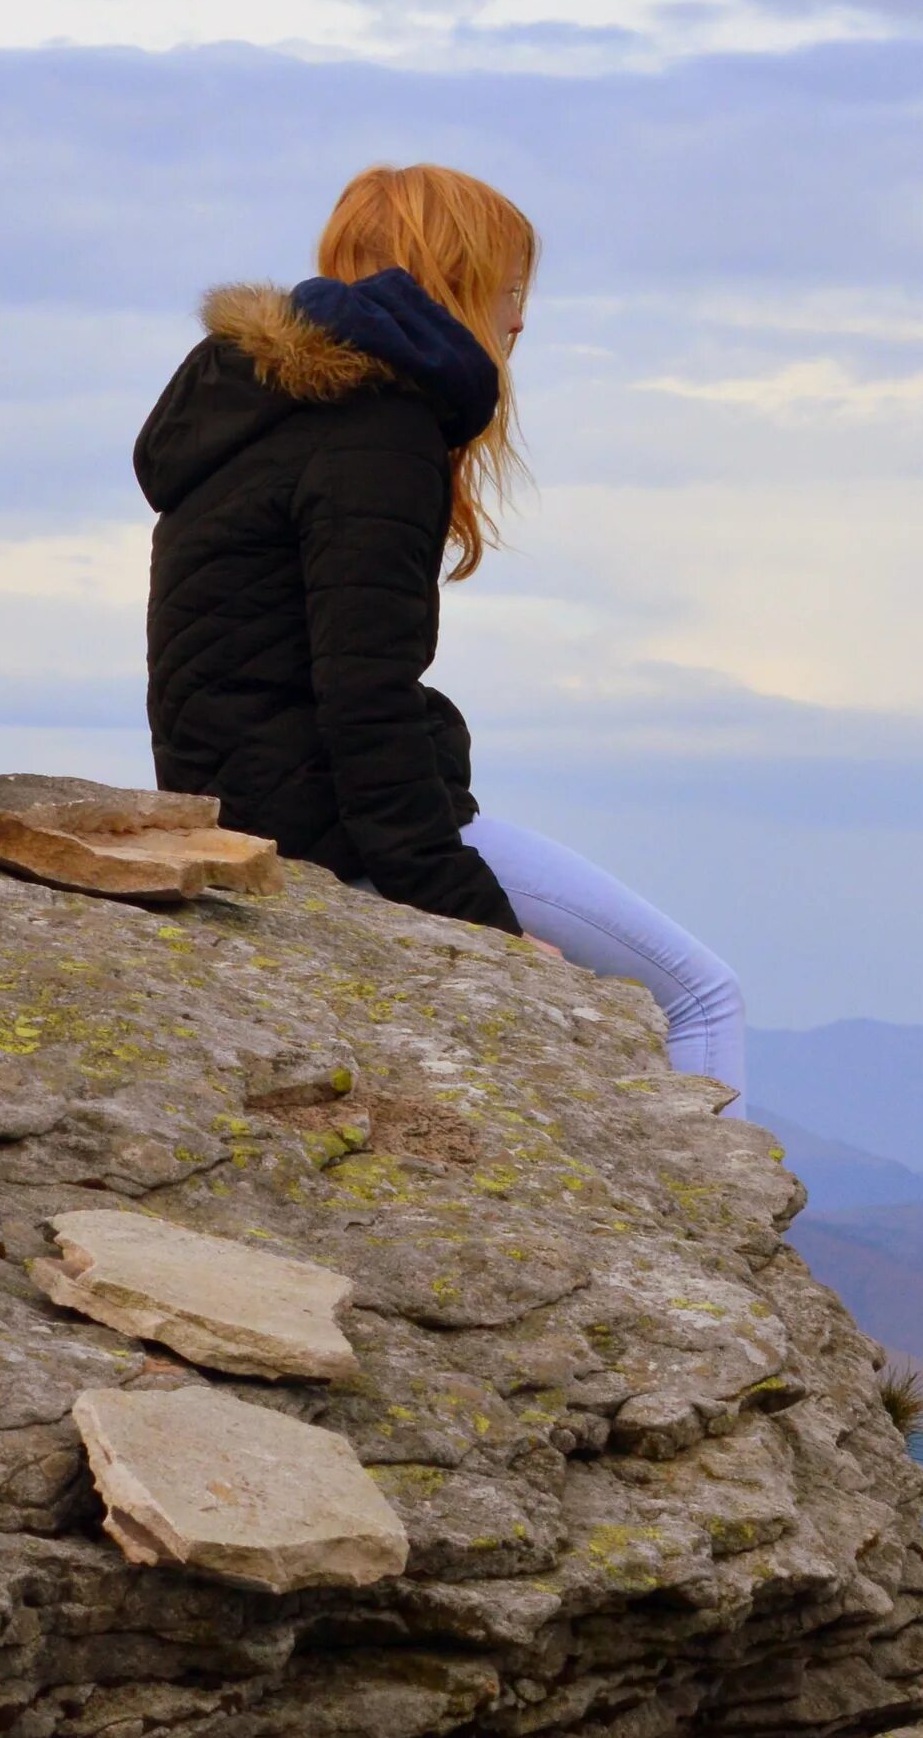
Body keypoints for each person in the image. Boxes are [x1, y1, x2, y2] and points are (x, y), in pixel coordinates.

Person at [135, 162, 745, 1112]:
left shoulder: (248, 413)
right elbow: (363, 698)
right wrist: (472, 917)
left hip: (246, 801)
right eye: (510, 290)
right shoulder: (377, 432)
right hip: (334, 826)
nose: (520, 321)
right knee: (701, 998)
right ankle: (718, 1250)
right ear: (455, 284)